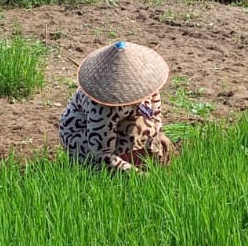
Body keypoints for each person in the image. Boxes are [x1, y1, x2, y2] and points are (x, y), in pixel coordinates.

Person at [59, 40, 173, 172]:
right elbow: (102, 154)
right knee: (136, 132)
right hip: (85, 137)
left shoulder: (145, 83)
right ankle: (114, 171)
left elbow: (154, 100)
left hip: (122, 119)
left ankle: (148, 163)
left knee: (148, 129)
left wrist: (159, 132)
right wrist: (137, 175)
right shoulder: (102, 107)